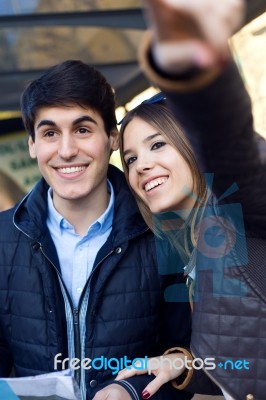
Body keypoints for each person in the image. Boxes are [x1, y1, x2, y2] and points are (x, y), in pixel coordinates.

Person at [0, 59, 194, 400]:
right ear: (32, 145)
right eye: (49, 133)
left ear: (112, 137)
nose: (66, 150)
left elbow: (190, 357)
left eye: (82, 129)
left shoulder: (165, 231)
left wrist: (132, 391)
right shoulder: (2, 238)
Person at [116, 0, 266, 399]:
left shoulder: (239, 210)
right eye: (130, 159)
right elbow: (243, 362)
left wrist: (193, 64)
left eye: (158, 145)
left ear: (191, 146)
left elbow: (230, 145)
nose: (142, 166)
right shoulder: (190, 249)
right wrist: (186, 363)